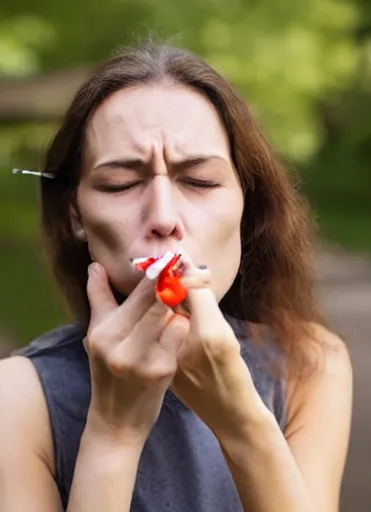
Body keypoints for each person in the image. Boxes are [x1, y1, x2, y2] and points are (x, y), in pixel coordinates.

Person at [0, 39, 352, 512]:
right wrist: (113, 432)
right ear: (75, 215)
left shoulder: (309, 364)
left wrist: (242, 421)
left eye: (200, 181)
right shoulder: (17, 399)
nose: (164, 217)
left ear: (247, 207)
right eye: (120, 184)